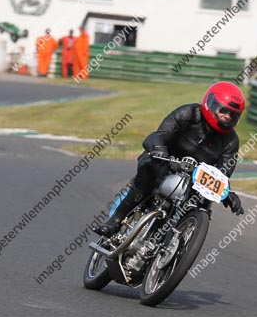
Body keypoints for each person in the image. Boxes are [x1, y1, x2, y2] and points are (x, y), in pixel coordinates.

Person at [94, 81, 246, 237]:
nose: (227, 117)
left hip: (194, 179)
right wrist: (159, 150)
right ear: (211, 104)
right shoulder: (188, 113)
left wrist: (228, 193)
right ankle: (115, 222)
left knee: (204, 203)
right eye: (224, 111)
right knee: (149, 174)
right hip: (164, 161)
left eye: (233, 115)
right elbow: (158, 135)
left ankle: (180, 242)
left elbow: (223, 174)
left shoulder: (231, 141)